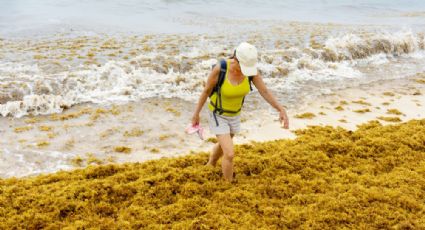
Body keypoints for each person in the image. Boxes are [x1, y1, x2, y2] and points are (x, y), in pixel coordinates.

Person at [191, 42, 289, 182]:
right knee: (229, 154)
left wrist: (280, 109)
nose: (245, 70)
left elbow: (264, 91)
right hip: (218, 114)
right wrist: (196, 114)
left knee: (226, 144)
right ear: (236, 59)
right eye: (243, 66)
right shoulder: (221, 69)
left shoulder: (251, 72)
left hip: (235, 114)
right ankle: (228, 184)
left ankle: (211, 163)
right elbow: (206, 91)